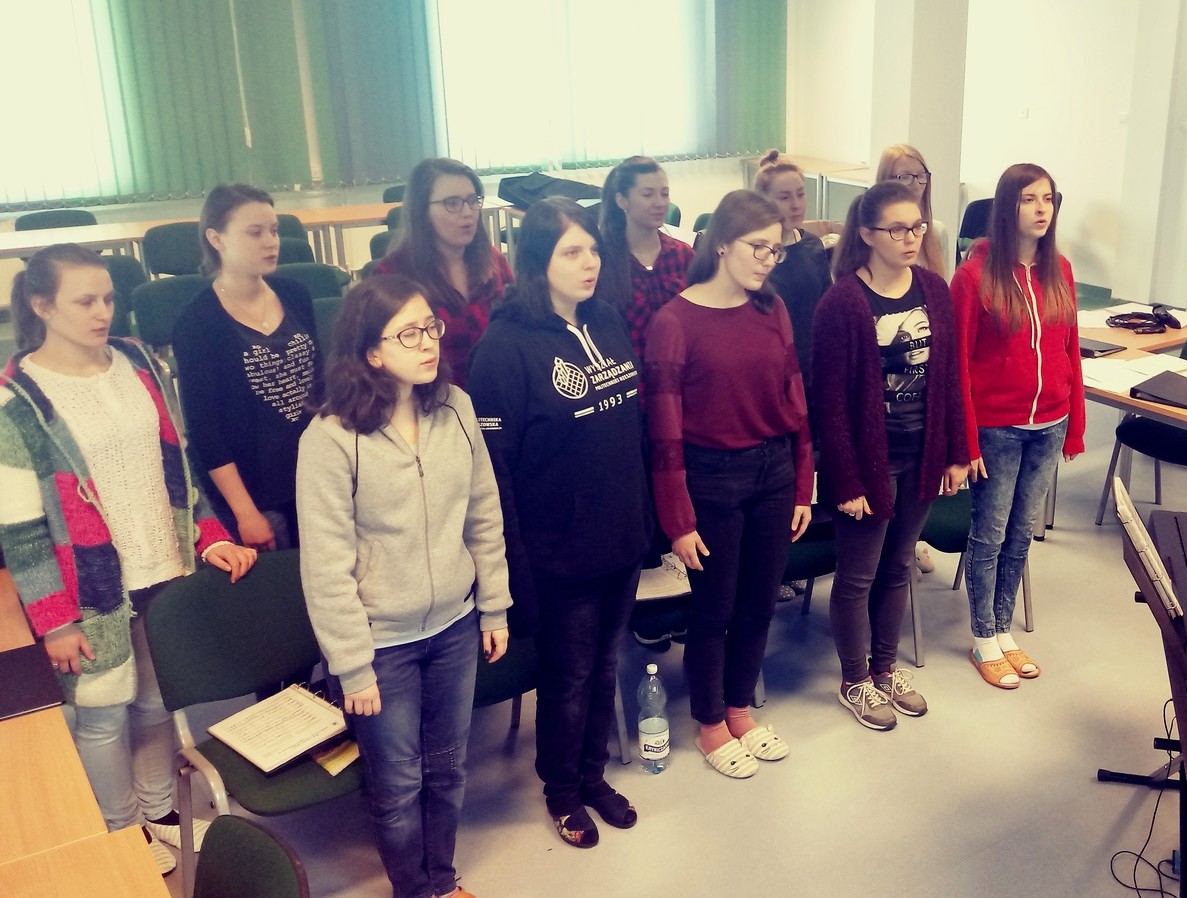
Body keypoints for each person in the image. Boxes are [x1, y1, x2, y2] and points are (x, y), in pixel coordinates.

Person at [0, 244, 257, 876]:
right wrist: (55, 621)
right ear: (42, 306)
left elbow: (180, 465)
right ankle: (122, 833)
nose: (102, 312)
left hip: (165, 568)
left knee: (157, 703)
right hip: (89, 587)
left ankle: (159, 809)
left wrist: (208, 536)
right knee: (102, 716)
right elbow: (22, 531)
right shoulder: (18, 400)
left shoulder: (141, 360)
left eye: (109, 298)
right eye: (85, 301)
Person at [297, 274, 511, 898]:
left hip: (455, 626)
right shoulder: (330, 438)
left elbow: (483, 512)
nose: (428, 343)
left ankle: (441, 883)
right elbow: (326, 565)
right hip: (380, 643)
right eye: (408, 334)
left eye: (431, 327)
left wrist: (494, 606)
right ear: (371, 352)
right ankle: (412, 891)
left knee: (448, 770)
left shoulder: (456, 408)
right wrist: (352, 666)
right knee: (397, 786)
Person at [467, 199, 651, 848]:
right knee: (568, 680)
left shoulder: (606, 319)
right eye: (572, 252)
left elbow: (631, 431)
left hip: (620, 536)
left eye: (593, 249)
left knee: (606, 667)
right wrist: (514, 570)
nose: (589, 263)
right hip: (558, 551)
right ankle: (563, 793)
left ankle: (593, 777)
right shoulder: (503, 348)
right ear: (538, 262)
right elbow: (495, 474)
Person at [643, 189, 813, 779]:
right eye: (757, 247)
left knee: (760, 601)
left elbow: (795, 401)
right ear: (720, 243)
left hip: (774, 471)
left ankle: (740, 708)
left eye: (776, 249)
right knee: (715, 608)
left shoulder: (772, 309)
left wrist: (802, 485)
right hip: (712, 477)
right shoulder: (674, 322)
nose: (768, 260)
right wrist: (678, 521)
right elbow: (664, 432)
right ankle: (710, 722)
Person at [811, 181, 969, 729]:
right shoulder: (842, 303)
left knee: (899, 566)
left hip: (922, 453)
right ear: (866, 234)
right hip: (868, 464)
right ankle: (854, 679)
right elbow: (830, 404)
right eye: (897, 229)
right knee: (858, 576)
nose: (910, 237)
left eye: (916, 227)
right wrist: (846, 481)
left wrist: (955, 452)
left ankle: (885, 669)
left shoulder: (933, 289)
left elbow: (949, 378)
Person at [951, 163, 1084, 689]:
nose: (1041, 208)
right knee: (989, 535)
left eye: (1048, 198)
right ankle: (983, 636)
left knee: (1021, 534)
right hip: (996, 429)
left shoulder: (1060, 269)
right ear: (1008, 207)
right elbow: (957, 366)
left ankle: (1004, 629)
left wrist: (1076, 427)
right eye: (1029, 199)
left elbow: (1071, 350)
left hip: (1050, 423)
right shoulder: (974, 277)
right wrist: (965, 442)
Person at [173, 183, 322, 549]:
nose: (271, 242)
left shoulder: (295, 294)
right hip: (255, 490)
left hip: (317, 471)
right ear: (216, 239)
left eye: (274, 231)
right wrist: (245, 513)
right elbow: (206, 431)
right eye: (255, 233)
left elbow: (321, 385)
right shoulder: (197, 321)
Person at [374, 158, 513, 386]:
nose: (467, 212)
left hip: (500, 389)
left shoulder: (493, 261)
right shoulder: (392, 276)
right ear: (422, 211)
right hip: (433, 398)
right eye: (452, 203)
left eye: (472, 201)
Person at [598, 155, 695, 360]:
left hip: (679, 368)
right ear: (622, 200)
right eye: (647, 194)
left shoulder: (683, 254)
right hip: (628, 370)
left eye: (665, 194)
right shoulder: (601, 259)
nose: (660, 203)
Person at [752, 149, 832, 388]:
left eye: (801, 194)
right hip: (768, 374)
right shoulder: (752, 254)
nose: (796, 205)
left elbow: (826, 309)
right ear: (763, 202)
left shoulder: (813, 245)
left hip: (811, 371)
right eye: (784, 197)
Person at [876, 144, 947, 278]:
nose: (916, 185)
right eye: (905, 177)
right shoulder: (875, 233)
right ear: (886, 180)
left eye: (921, 175)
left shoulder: (937, 232)